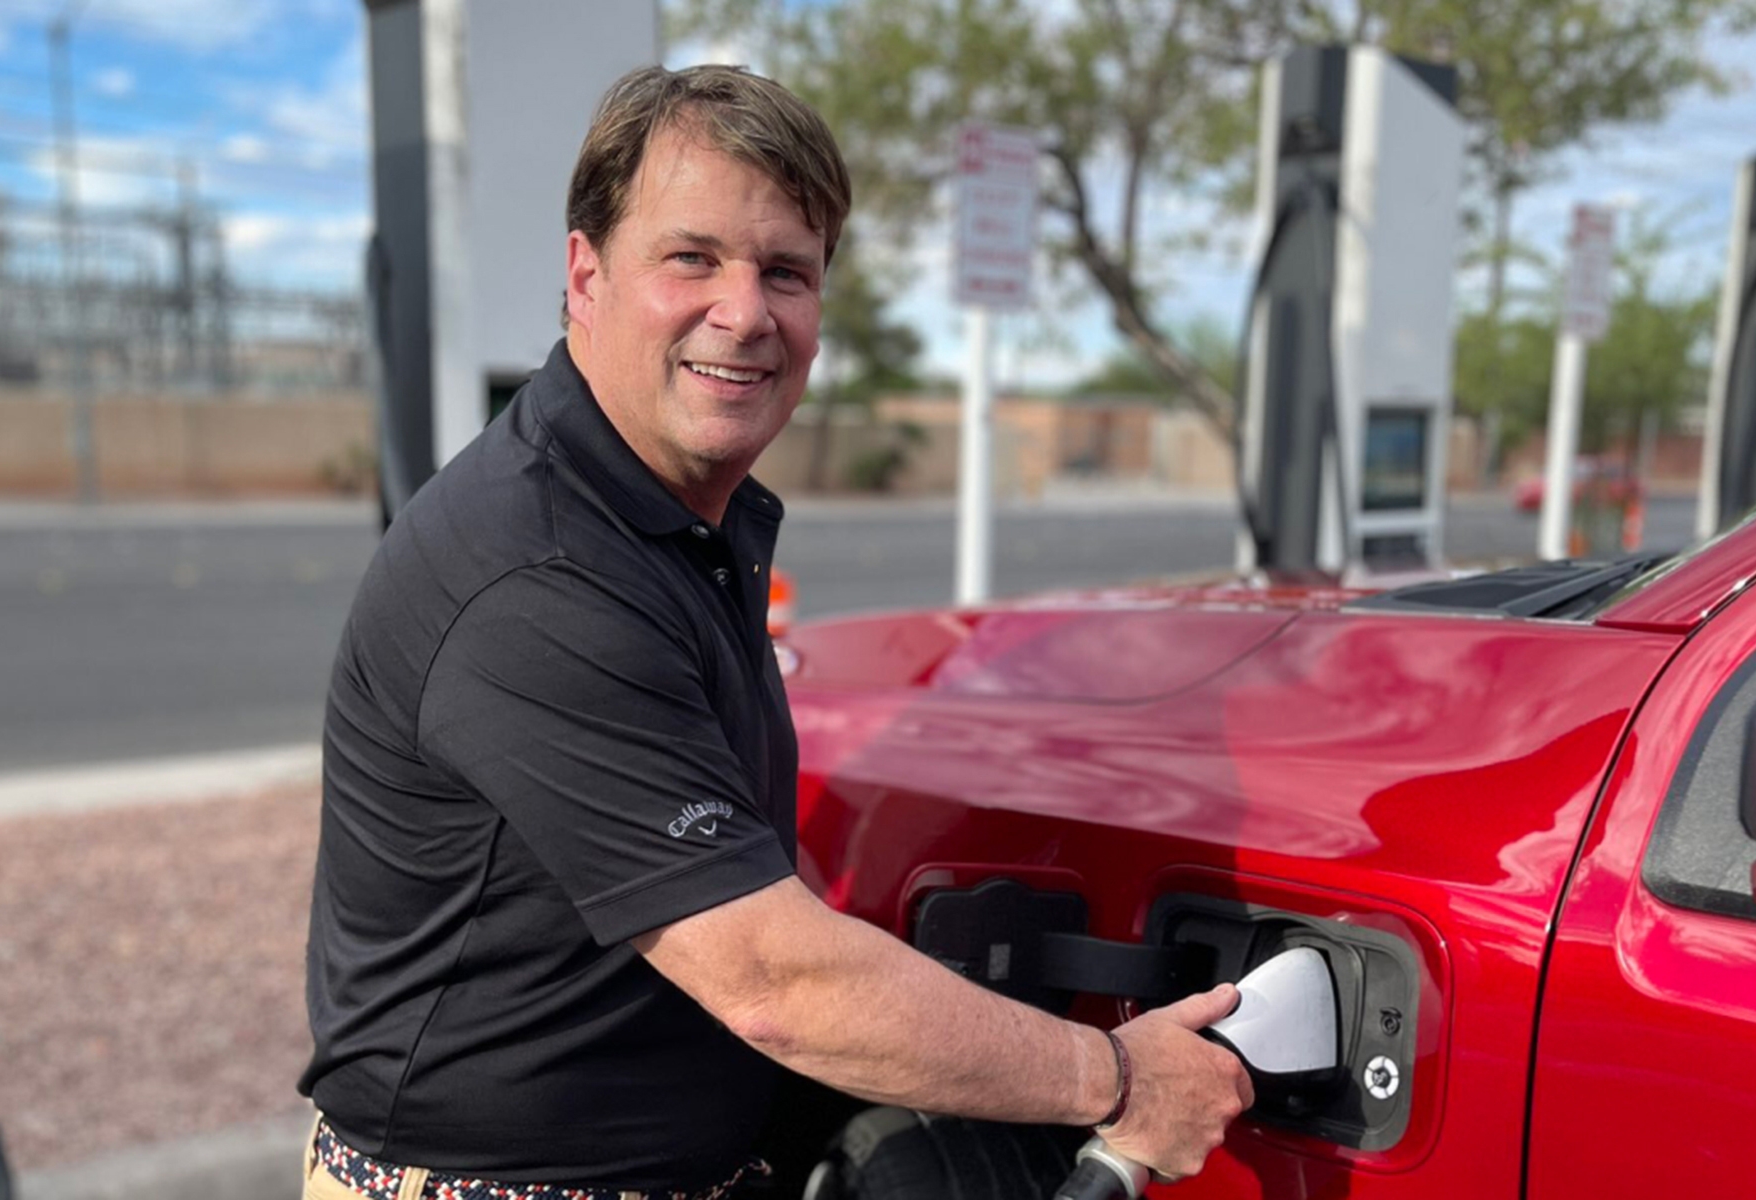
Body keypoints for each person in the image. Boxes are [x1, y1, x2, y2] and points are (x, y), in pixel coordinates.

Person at [299, 63, 1251, 1200]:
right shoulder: (538, 573)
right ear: (585, 274)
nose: (744, 313)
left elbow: (749, 879)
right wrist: (1114, 1078)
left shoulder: (672, 521)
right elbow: (771, 983)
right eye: (691, 257)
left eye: (785, 273)